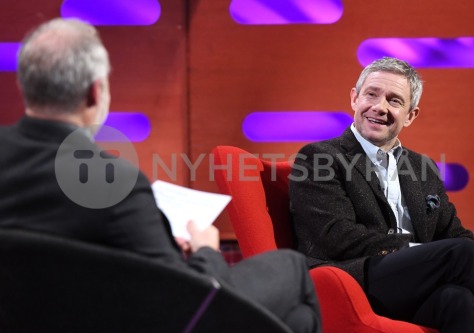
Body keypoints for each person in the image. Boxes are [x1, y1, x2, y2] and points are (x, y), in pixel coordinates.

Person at [0, 18, 321, 333]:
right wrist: (206, 250)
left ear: (24, 84)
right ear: (95, 93)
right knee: (292, 269)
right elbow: (183, 302)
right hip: (127, 317)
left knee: (294, 322)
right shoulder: (115, 184)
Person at [289, 56, 474, 333]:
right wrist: (416, 251)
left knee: (457, 299)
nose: (379, 107)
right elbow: (334, 237)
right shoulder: (320, 157)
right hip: (353, 279)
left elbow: (455, 235)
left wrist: (433, 255)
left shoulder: (421, 167)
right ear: (355, 98)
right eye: (371, 94)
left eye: (394, 100)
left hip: (414, 286)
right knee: (461, 254)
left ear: (411, 115)